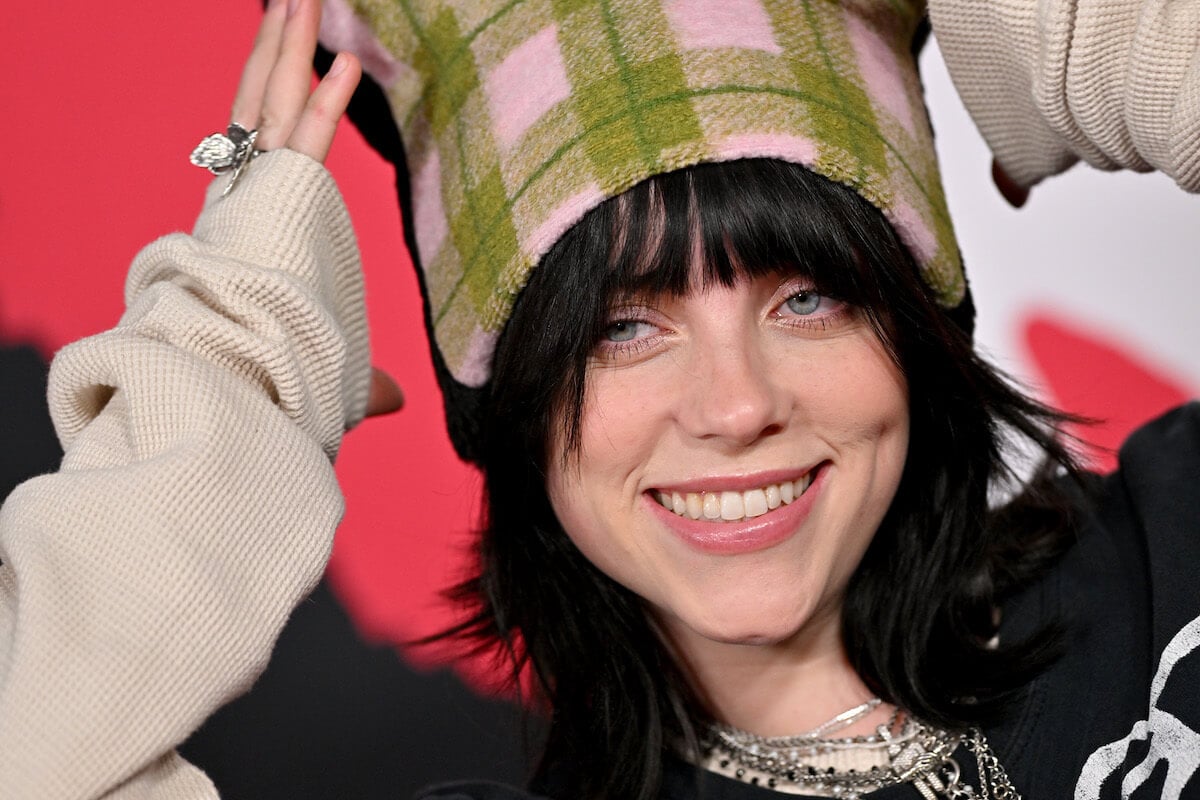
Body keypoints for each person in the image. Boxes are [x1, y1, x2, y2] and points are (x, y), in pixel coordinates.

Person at [2, 2, 1197, 800]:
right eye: (626, 326)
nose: (736, 407)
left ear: (916, 325)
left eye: (809, 300)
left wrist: (1138, 48)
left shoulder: (1174, 544)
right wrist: (229, 366)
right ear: (511, 397)